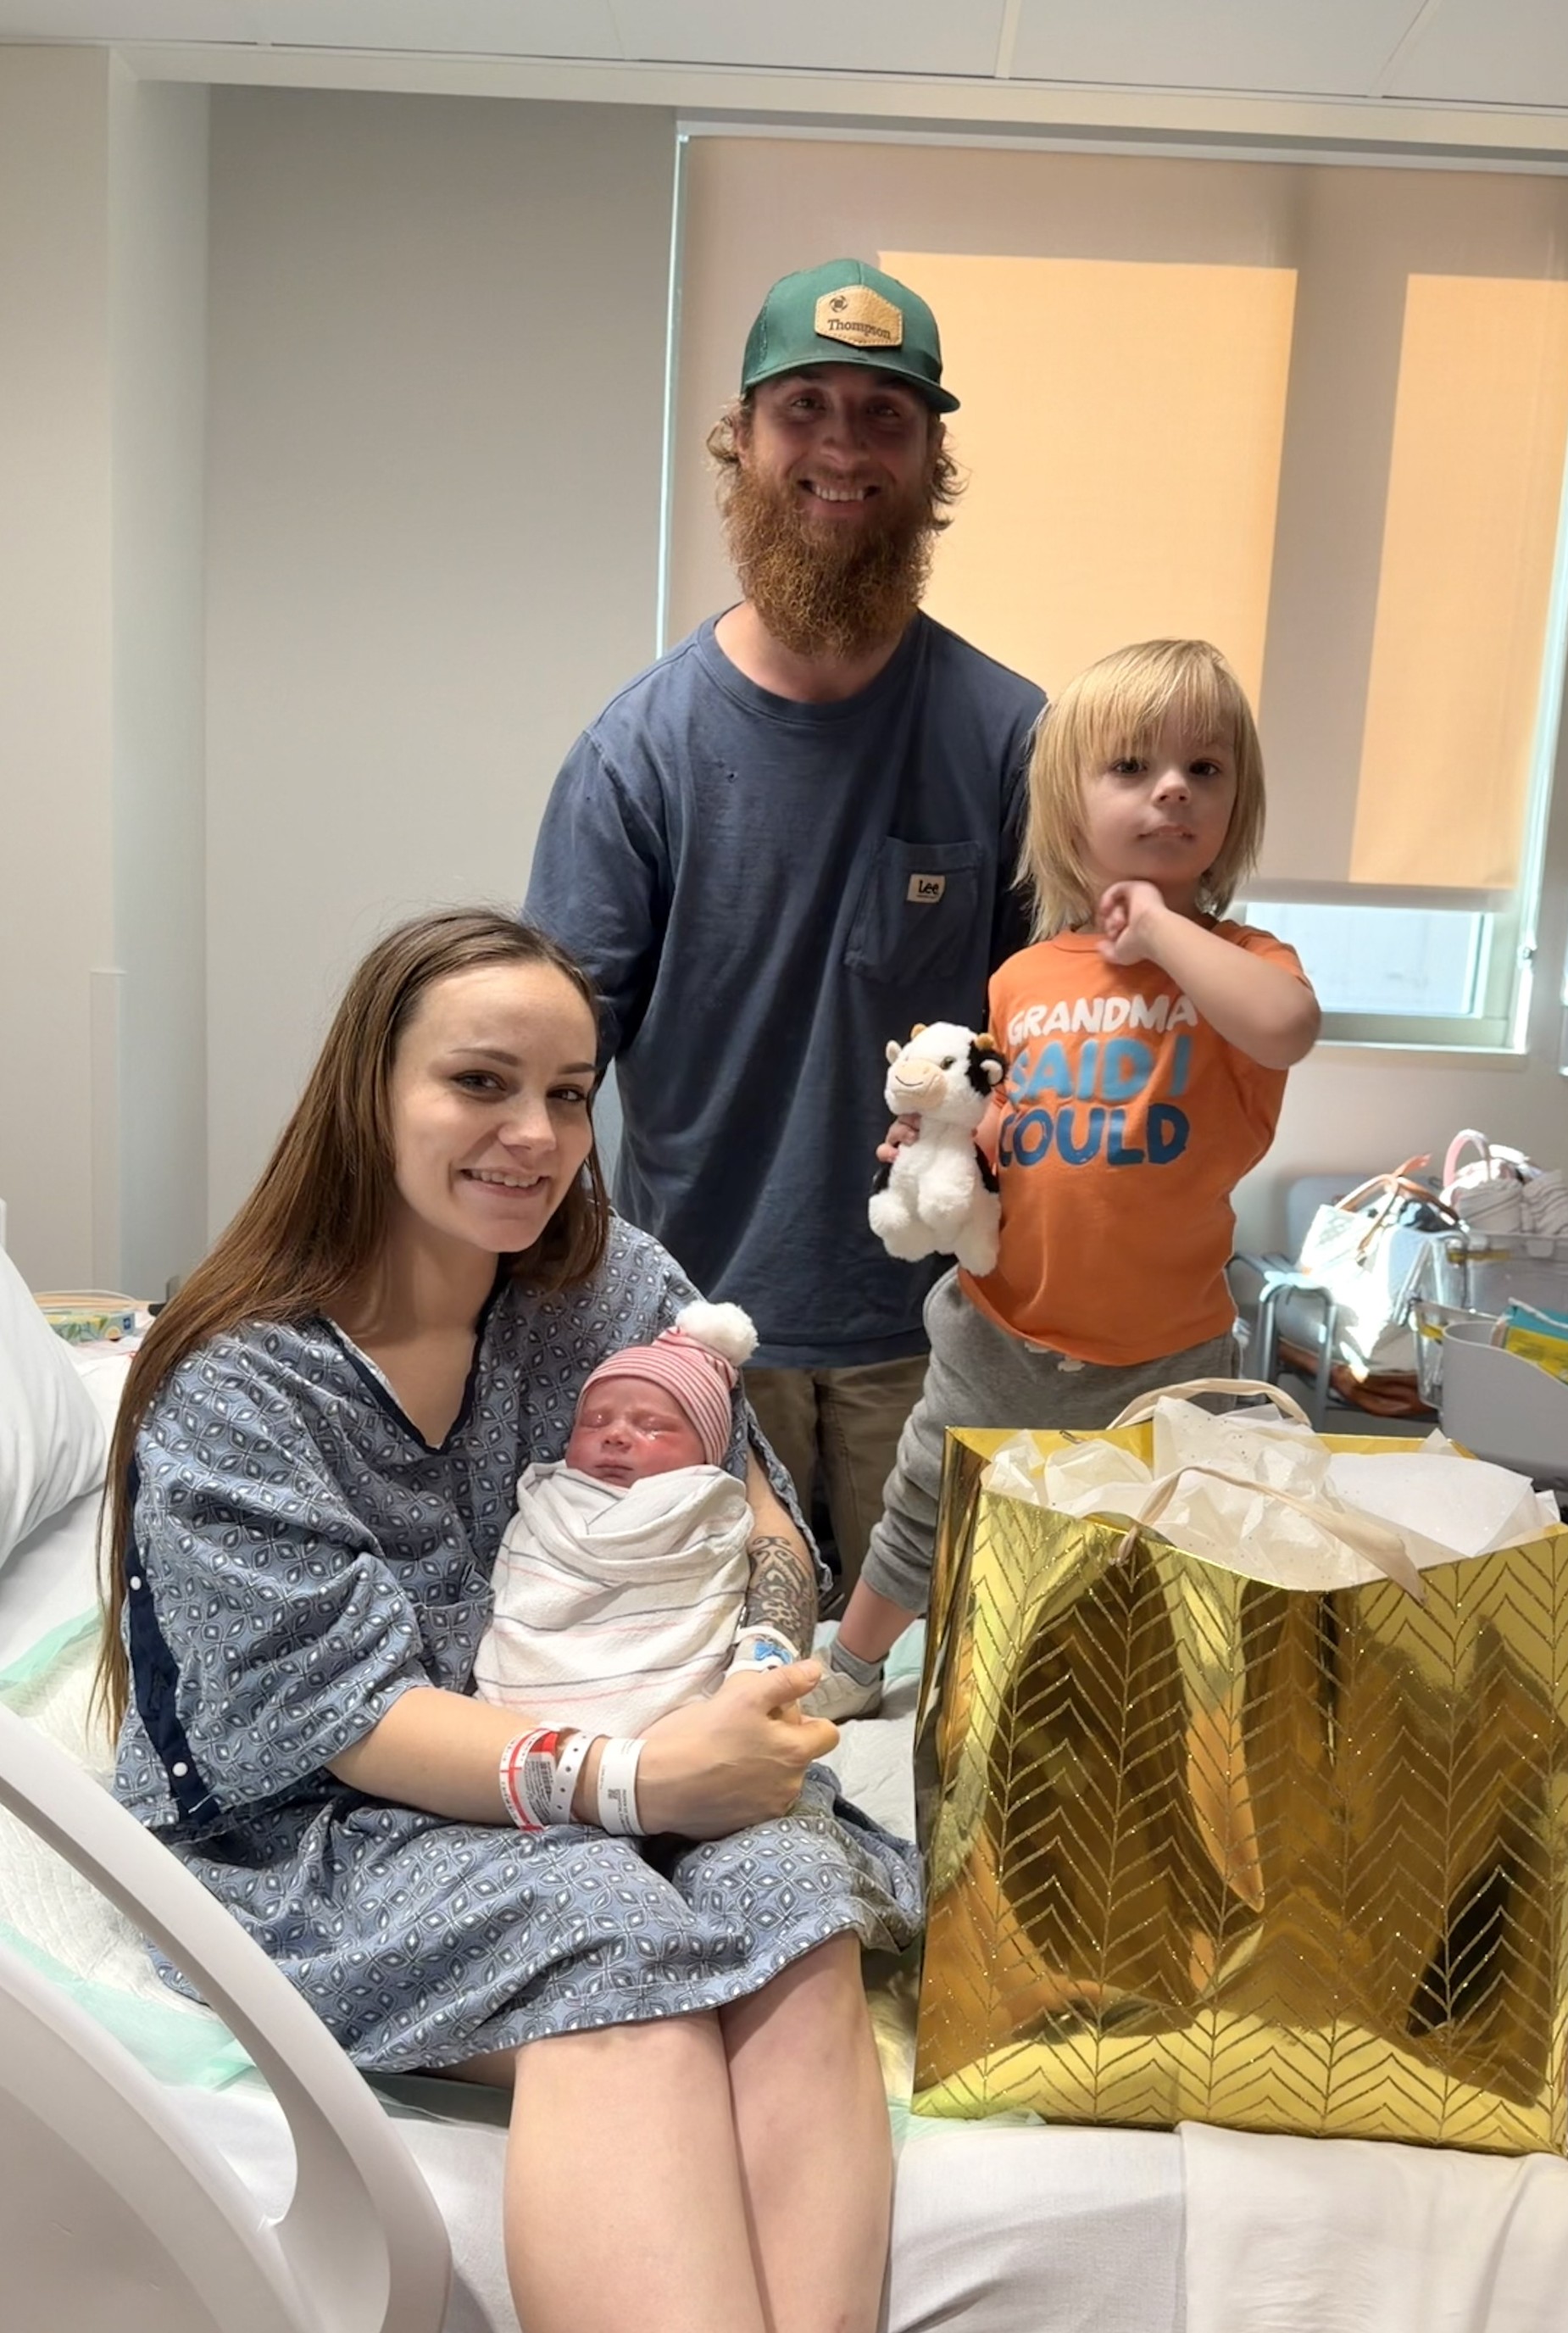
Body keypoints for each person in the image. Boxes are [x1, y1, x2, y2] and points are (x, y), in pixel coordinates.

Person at [95, 907, 920, 2333]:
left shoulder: (614, 1289)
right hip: (332, 1818)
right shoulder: (239, 1385)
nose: (534, 1136)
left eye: (568, 1092)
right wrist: (634, 1784)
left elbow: (759, 1517)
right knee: (612, 1947)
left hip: (652, 1738)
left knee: (793, 1897)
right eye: (481, 1082)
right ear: (370, 1090)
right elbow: (337, 1721)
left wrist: (760, 1671)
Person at [525, 257, 1046, 1631]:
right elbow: (549, 1071)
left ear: (931, 461)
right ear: (742, 441)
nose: (842, 448)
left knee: (930, 1695)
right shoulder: (639, 757)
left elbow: (1064, 1046)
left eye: (885, 416)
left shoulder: (1012, 741)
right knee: (710, 1691)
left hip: (941, 1346)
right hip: (699, 1342)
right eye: (803, 406)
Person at [824, 638, 1323, 1719]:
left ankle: (1139, 1699)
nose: (1173, 789)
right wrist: (942, 1144)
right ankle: (853, 1667)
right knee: (925, 1496)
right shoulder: (1022, 977)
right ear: (1066, 806)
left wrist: (1161, 930)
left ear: (1237, 803)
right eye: (1133, 767)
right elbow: (1008, 1127)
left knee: (1160, 1538)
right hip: (1003, 1324)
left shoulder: (1249, 964)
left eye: (1205, 769)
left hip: (1167, 1347)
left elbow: (1287, 1029)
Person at [474, 1300, 797, 1734]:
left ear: (708, 1451)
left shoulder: (707, 1507)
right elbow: (519, 1600)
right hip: (522, 1711)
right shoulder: (545, 1501)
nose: (615, 1435)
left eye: (651, 1426)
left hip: (669, 1719)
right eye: (594, 1421)